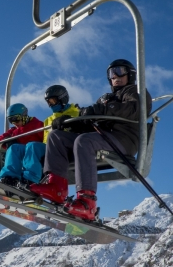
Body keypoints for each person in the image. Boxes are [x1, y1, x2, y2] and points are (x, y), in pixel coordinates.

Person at [29, 59, 152, 221]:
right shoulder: (107, 97)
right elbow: (91, 122)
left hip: (123, 139)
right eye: (111, 73)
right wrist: (72, 124)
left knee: (84, 141)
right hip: (103, 136)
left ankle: (87, 202)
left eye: (119, 71)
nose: (115, 76)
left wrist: (101, 108)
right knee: (56, 136)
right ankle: (56, 187)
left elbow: (134, 109)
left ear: (130, 74)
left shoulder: (134, 92)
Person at [0, 86, 79, 195]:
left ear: (62, 98)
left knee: (32, 145)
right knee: (15, 148)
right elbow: (44, 140)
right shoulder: (48, 120)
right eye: (48, 102)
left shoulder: (76, 112)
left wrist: (68, 121)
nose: (50, 105)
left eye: (53, 101)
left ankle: (30, 180)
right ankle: (9, 180)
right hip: (48, 148)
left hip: (64, 149)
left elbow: (81, 129)